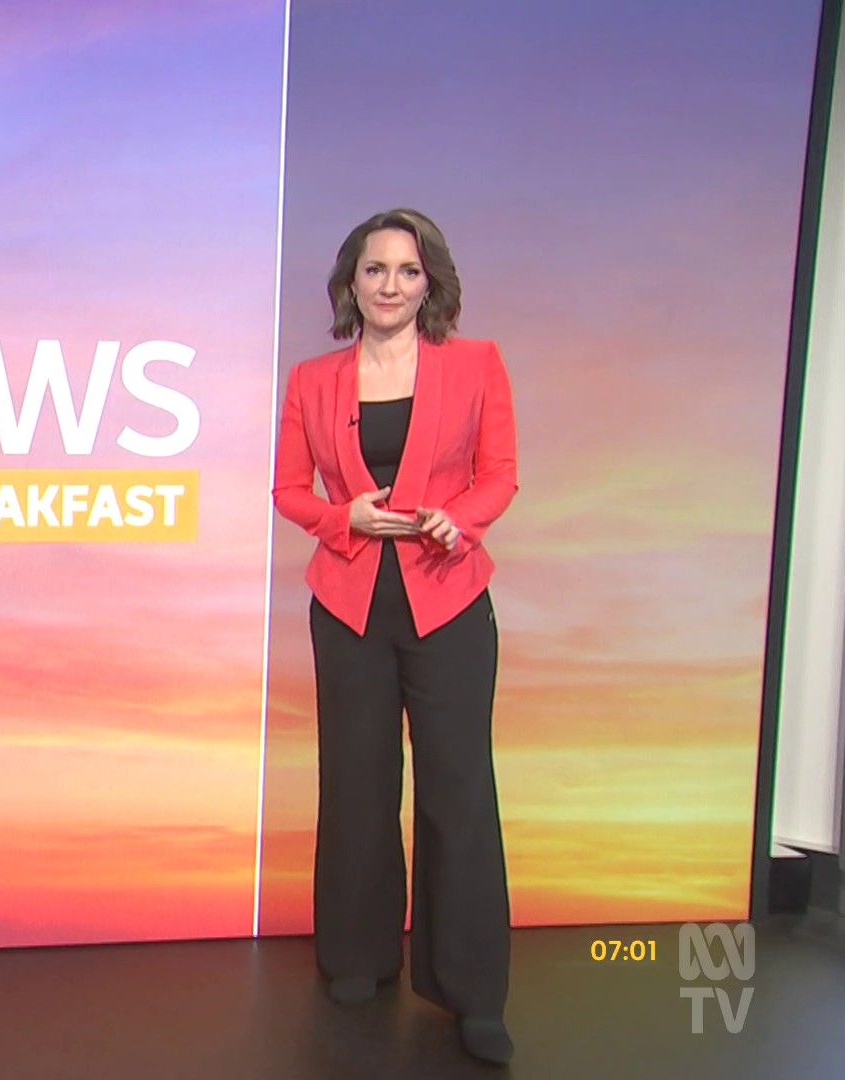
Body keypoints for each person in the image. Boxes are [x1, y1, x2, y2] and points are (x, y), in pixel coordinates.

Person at [271, 208, 519, 1065]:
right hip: (348, 606)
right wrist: (344, 517)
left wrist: (461, 521)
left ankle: (472, 991)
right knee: (358, 779)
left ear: (429, 284)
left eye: (408, 271)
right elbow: (288, 491)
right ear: (352, 281)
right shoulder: (313, 380)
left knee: (457, 788)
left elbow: (500, 475)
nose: (390, 285)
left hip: (447, 601)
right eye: (375, 270)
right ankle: (359, 955)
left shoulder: (477, 364)